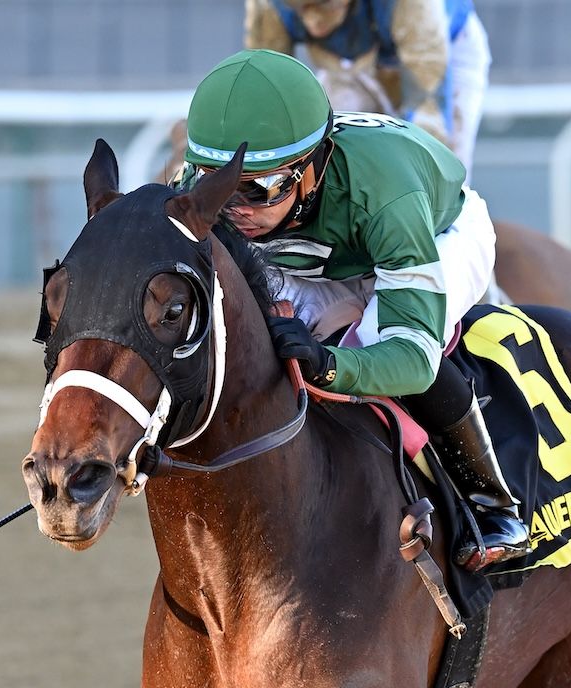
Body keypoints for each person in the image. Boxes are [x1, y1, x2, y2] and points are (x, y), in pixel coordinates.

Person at [177, 48, 528, 570]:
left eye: (256, 188)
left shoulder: (385, 193)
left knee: (370, 346)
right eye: (220, 184)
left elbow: (411, 358)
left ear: (312, 168)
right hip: (316, 258)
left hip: (436, 232)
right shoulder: (217, 193)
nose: (235, 209)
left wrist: (330, 365)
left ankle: (495, 505)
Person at [244, 0, 490, 174]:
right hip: (349, 60)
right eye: (301, 7)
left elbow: (428, 99)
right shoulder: (268, 4)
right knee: (326, 145)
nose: (314, 23)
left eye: (324, 4)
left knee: (445, 164)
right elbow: (265, 86)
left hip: (444, 47)